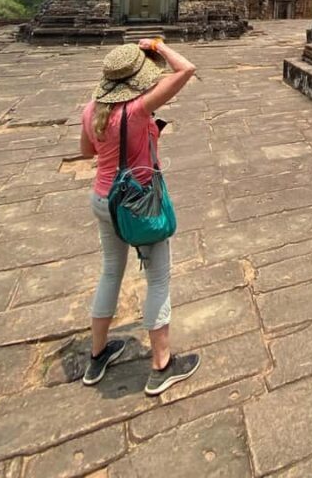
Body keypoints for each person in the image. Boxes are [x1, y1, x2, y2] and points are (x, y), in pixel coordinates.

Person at [79, 38, 200, 396]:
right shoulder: (138, 110)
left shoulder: (92, 109)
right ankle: (161, 364)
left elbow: (87, 151)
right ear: (136, 79)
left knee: (110, 272)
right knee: (158, 279)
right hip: (140, 203)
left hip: (103, 199)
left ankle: (97, 354)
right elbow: (187, 70)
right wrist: (159, 47)